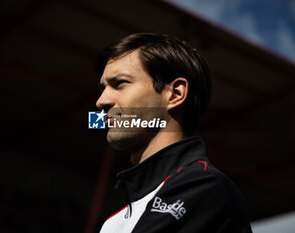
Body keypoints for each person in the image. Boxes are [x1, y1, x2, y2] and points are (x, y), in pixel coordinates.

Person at [95, 33, 252, 233]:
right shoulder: (112, 223)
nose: (101, 101)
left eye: (120, 83)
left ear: (175, 94)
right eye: (103, 88)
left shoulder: (207, 189)